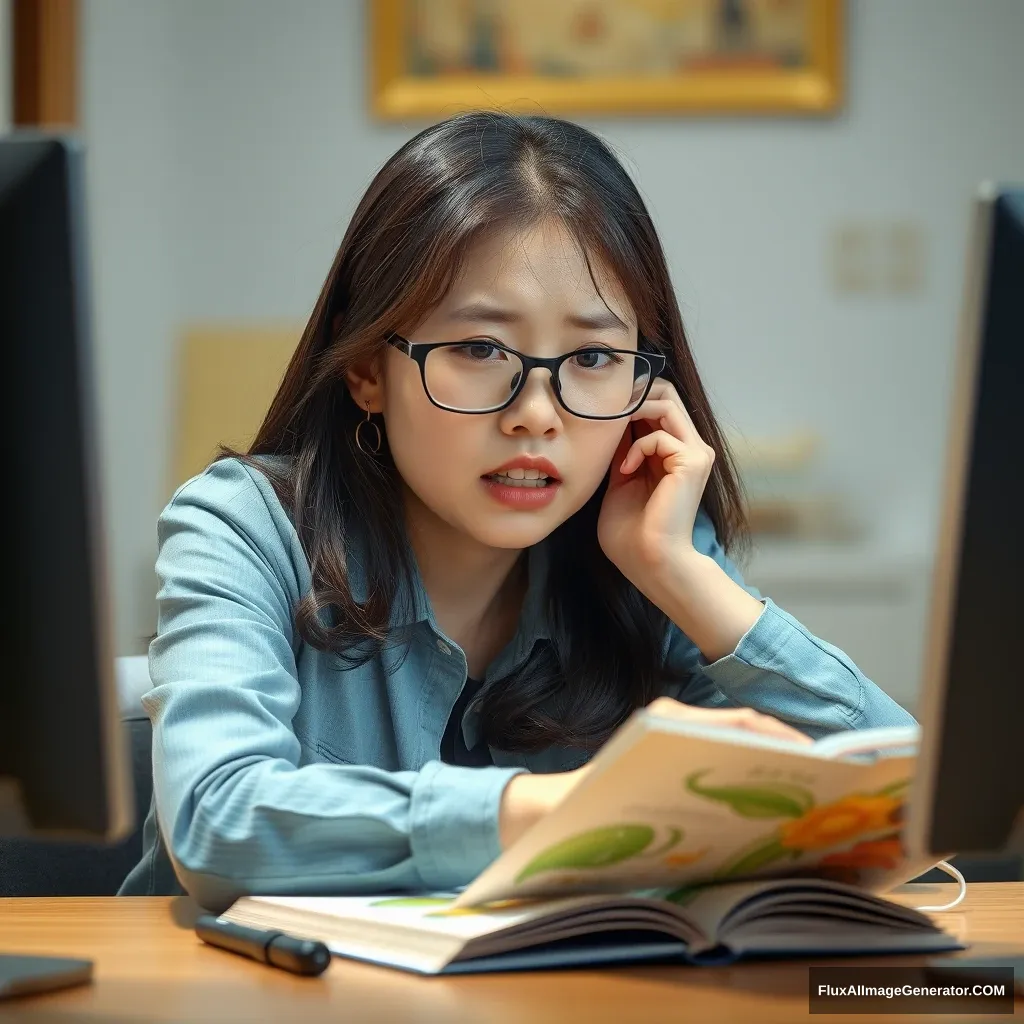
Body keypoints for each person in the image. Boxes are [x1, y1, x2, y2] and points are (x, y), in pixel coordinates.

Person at [119, 112, 914, 909]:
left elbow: (904, 799)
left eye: (596, 357)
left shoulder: (646, 559)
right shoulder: (246, 527)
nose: (537, 413)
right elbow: (215, 822)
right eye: (480, 349)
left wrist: (684, 576)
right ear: (367, 369)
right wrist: (573, 810)